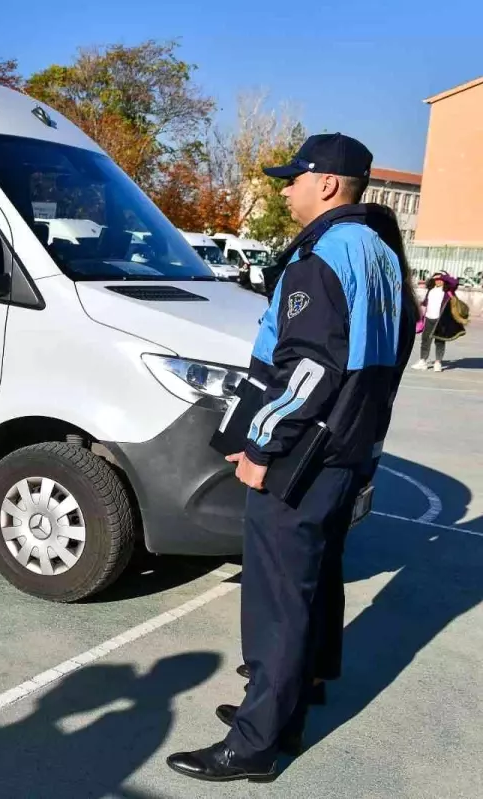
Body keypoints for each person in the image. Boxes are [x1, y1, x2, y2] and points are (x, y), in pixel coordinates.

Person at [167, 133, 417, 783]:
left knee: (279, 595)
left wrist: (260, 444)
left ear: (329, 184)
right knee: (313, 581)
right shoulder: (381, 251)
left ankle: (254, 742)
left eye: (294, 177)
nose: (284, 188)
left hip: (303, 454)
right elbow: (385, 358)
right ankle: (288, 703)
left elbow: (308, 366)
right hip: (347, 447)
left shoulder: (324, 254)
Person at [412, 271, 469, 372]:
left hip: (440, 320)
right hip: (429, 318)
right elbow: (425, 302)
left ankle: (438, 362)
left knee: (440, 341)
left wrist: (443, 276)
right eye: (436, 279)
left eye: (440, 279)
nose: (438, 281)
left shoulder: (448, 291)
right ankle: (423, 361)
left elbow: (455, 282)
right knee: (425, 340)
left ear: (444, 280)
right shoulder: (431, 290)